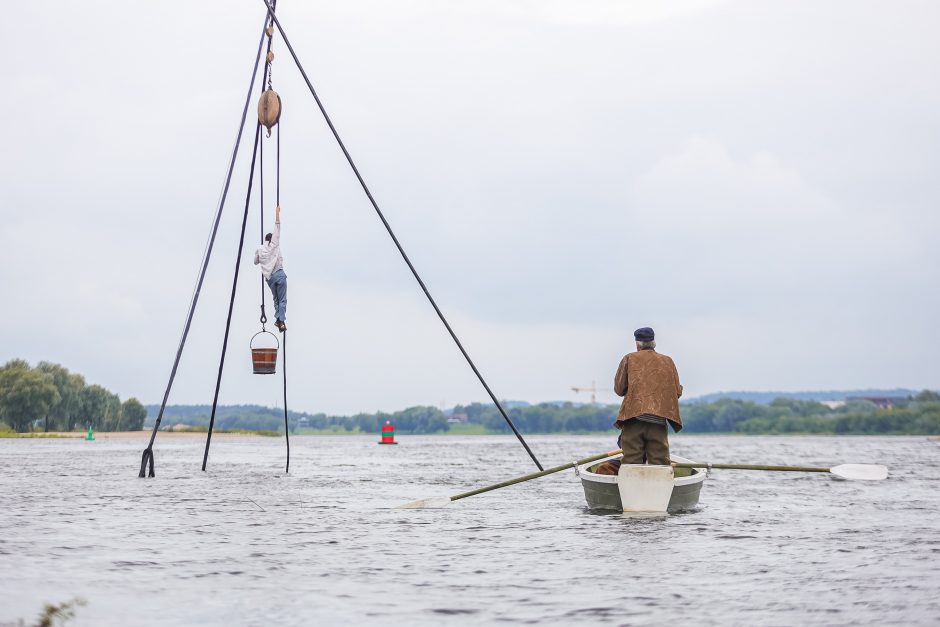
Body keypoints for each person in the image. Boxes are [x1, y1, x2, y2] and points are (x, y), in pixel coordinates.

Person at [612, 327, 683, 466]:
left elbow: (619, 389)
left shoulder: (629, 358)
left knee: (632, 460)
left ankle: (631, 485)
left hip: (634, 418)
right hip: (659, 419)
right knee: (660, 462)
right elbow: (677, 392)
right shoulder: (668, 361)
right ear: (654, 343)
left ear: (637, 344)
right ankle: (660, 486)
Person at [254, 205, 288, 332]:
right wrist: (277, 212)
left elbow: (255, 262)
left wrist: (260, 255)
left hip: (270, 279)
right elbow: (277, 226)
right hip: (279, 274)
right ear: (272, 239)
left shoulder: (260, 249)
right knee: (282, 299)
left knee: (276, 299)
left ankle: (279, 320)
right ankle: (281, 320)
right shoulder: (275, 244)